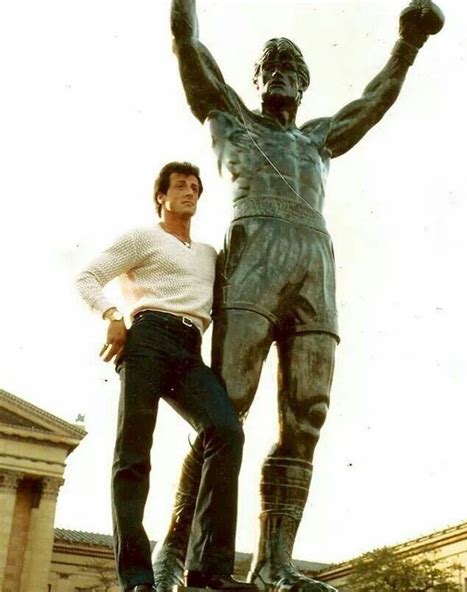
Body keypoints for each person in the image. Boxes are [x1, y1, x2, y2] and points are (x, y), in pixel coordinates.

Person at [152, 2, 444, 592]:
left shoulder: (318, 141)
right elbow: (187, 42)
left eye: (293, 67)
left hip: (314, 258)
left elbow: (376, 99)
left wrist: (408, 44)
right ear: (256, 81)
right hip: (255, 248)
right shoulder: (230, 117)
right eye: (271, 66)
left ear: (305, 85)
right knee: (225, 407)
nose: (282, 73)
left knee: (307, 412)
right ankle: (174, 551)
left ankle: (274, 564)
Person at [76, 161, 257, 592]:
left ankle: (209, 568)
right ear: (161, 195)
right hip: (147, 339)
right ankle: (137, 577)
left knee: (226, 430)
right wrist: (112, 315)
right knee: (134, 455)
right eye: (180, 186)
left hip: (189, 348)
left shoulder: (210, 253)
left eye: (196, 187)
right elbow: (87, 277)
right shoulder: (144, 238)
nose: (190, 192)